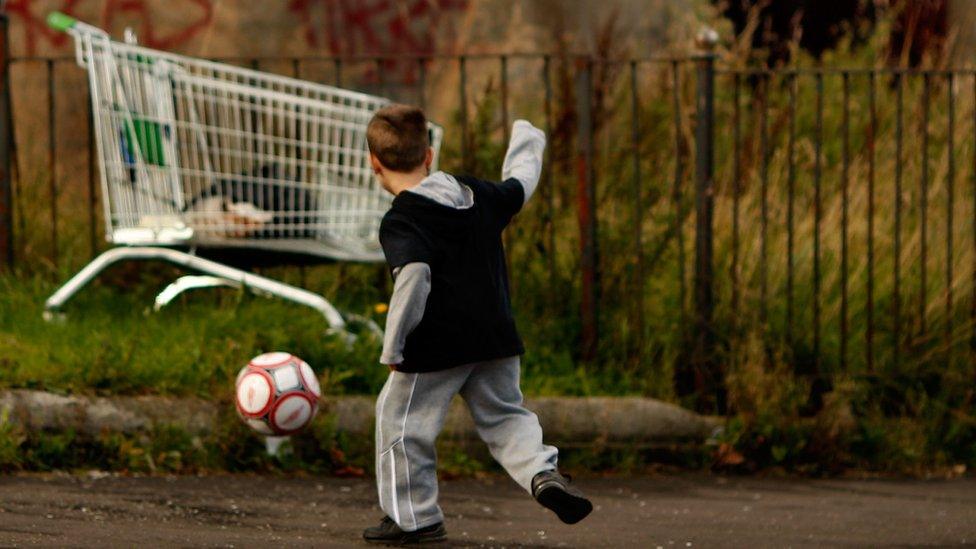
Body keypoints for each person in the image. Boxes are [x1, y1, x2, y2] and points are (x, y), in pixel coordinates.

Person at [362, 104, 592, 545]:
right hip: (495, 336)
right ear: (429, 155)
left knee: (400, 423)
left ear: (374, 164)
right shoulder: (474, 194)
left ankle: (414, 519)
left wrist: (393, 349)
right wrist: (527, 137)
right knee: (506, 417)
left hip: (435, 347)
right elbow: (520, 184)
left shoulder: (403, 218)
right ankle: (543, 475)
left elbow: (414, 278)